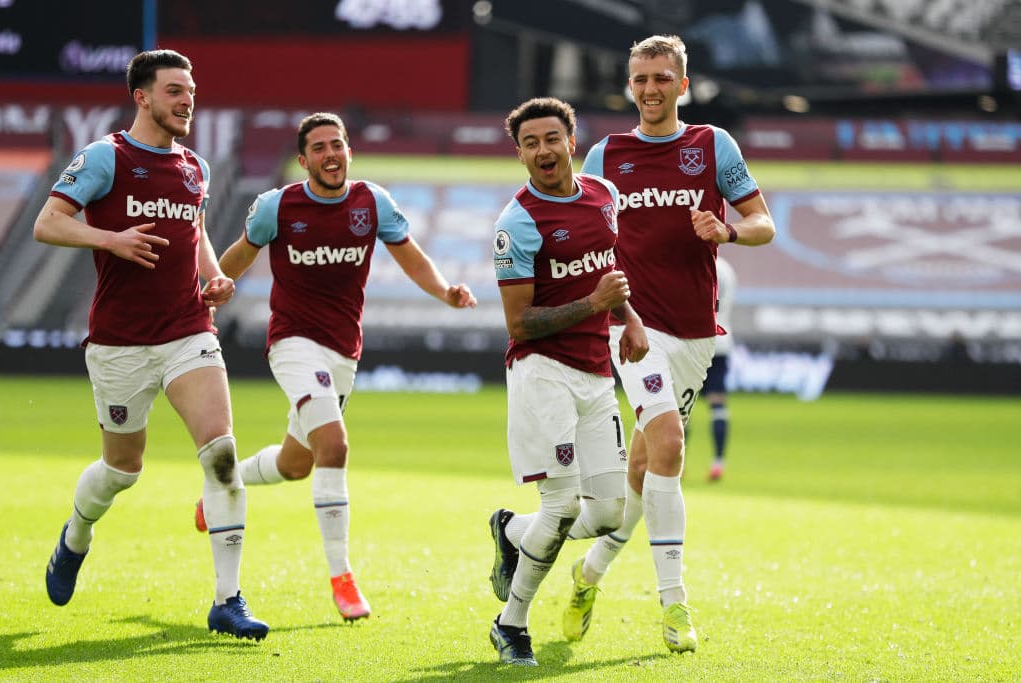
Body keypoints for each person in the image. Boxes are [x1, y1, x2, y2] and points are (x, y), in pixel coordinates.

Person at [194, 112, 476, 622]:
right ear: (303, 161)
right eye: (319, 148)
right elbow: (237, 256)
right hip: (292, 342)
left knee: (295, 463)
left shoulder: (373, 202)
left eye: (337, 145)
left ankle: (220, 487)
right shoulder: (277, 207)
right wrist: (208, 295)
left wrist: (444, 291)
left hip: (343, 352)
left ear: (349, 152)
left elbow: (410, 256)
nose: (330, 155)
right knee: (336, 443)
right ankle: (343, 578)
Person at [34, 49, 268, 640]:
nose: (187, 100)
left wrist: (213, 275)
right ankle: (75, 537)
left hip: (188, 329)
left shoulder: (195, 166)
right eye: (174, 91)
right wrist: (111, 239)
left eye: (191, 89)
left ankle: (227, 600)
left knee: (221, 453)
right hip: (118, 341)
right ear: (141, 96)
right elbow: (49, 222)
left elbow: (193, 233)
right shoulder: (105, 157)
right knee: (122, 469)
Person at [562, 34, 775, 653]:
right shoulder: (606, 156)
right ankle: (675, 606)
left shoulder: (713, 146)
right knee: (671, 444)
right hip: (632, 327)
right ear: (629, 86)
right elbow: (575, 234)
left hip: (695, 333)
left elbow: (764, 223)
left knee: (644, 467)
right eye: (640, 79)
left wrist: (729, 231)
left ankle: (589, 573)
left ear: (683, 85)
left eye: (661, 78)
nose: (650, 89)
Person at [487, 97, 648, 667]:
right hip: (542, 372)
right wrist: (595, 304)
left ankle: (510, 533)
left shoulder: (604, 197)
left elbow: (608, 272)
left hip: (596, 371)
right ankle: (512, 625)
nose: (542, 151)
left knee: (608, 512)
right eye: (529, 143)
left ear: (571, 141)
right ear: (520, 153)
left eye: (550, 139)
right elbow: (519, 322)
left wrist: (627, 319)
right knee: (559, 505)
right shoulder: (518, 223)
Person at [704, 255, 736, 482]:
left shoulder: (696, 263)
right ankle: (718, 462)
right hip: (722, 341)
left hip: (695, 341)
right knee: (718, 403)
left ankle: (678, 463)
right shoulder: (727, 269)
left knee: (681, 406)